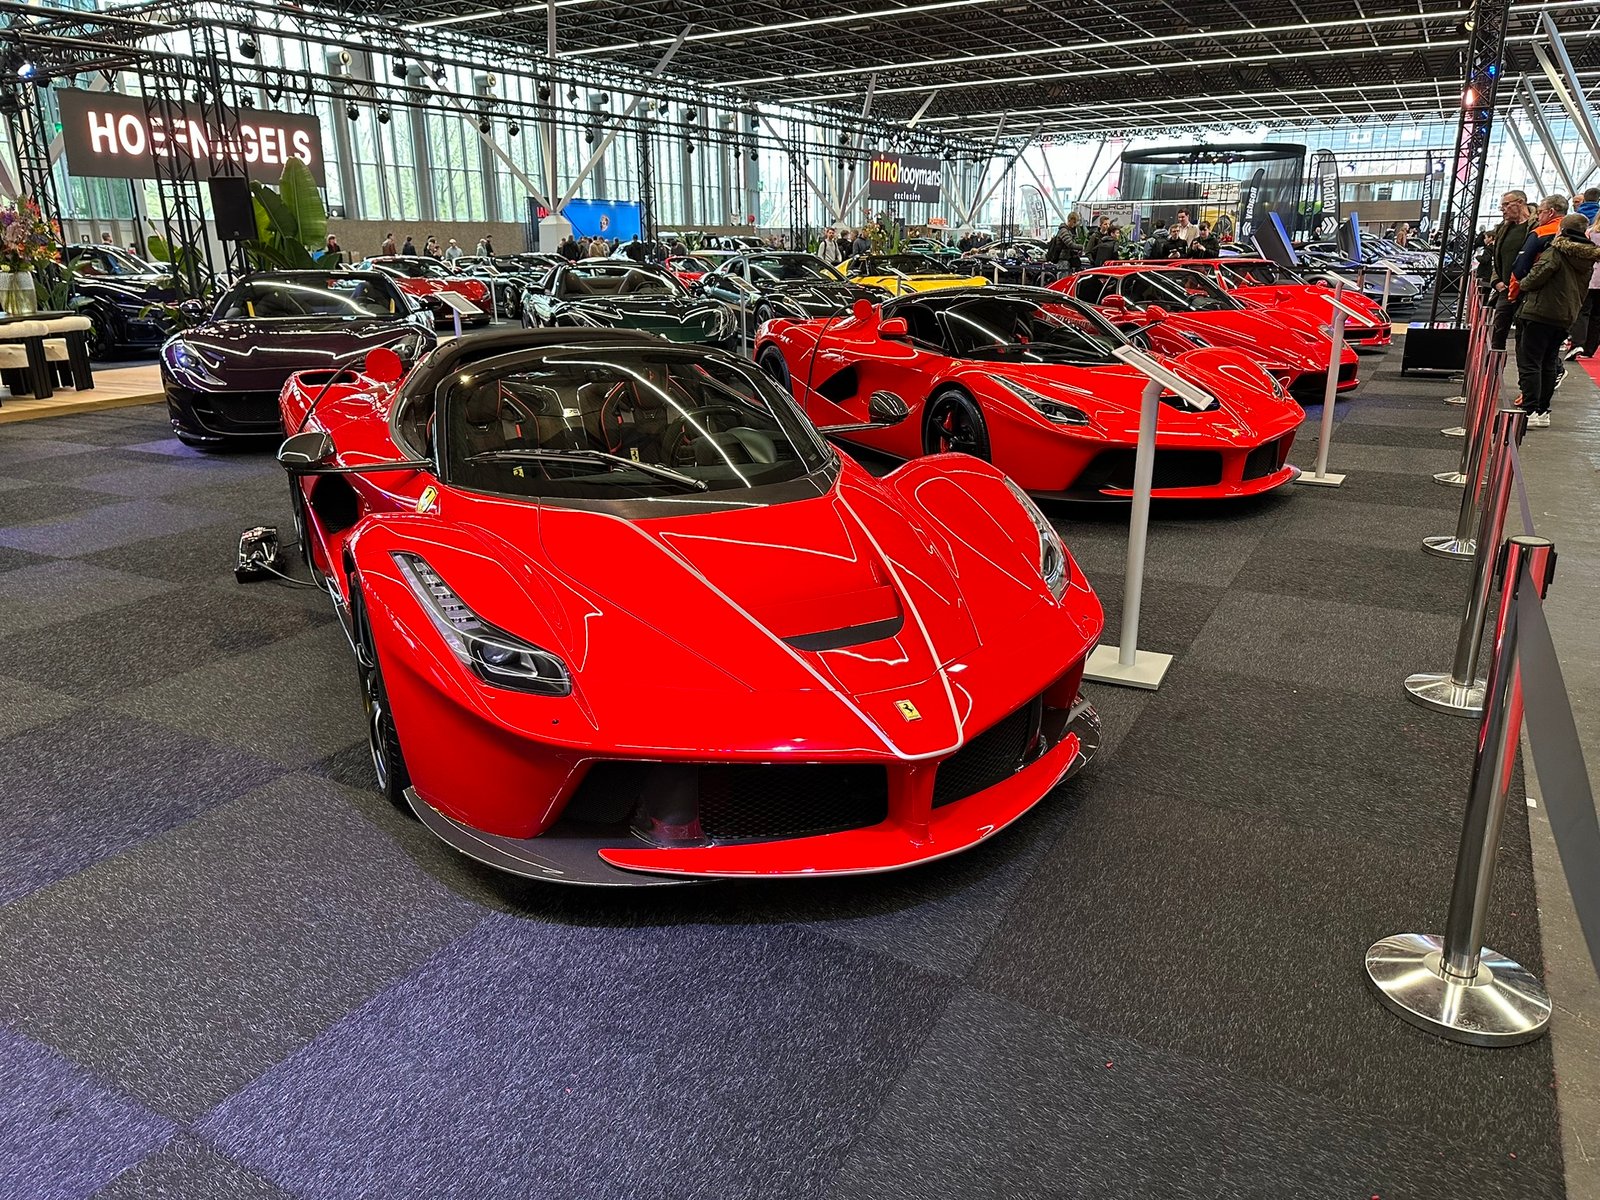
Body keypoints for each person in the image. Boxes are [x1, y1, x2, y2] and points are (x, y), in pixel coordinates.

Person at [1511, 212, 1600, 426]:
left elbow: (1533, 279)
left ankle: (1530, 410)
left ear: (1562, 229)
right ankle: (1542, 411)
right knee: (1549, 362)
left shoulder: (1556, 252)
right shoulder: (1588, 257)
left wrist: (1523, 282)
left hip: (1540, 311)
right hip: (1565, 315)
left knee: (1531, 362)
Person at [1487, 191, 1533, 349]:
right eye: (1502, 206)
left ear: (1520, 203)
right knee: (1497, 333)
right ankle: (1493, 364)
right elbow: (1497, 258)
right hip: (1505, 289)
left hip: (1527, 290)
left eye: (1506, 205)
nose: (1503, 209)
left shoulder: (1536, 226)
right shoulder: (1504, 228)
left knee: (1525, 337)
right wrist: (1496, 281)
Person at [1567, 215, 1600, 361]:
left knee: (1582, 312)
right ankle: (1590, 348)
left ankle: (1577, 343)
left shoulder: (1590, 233)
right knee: (1597, 316)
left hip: (1590, 278)